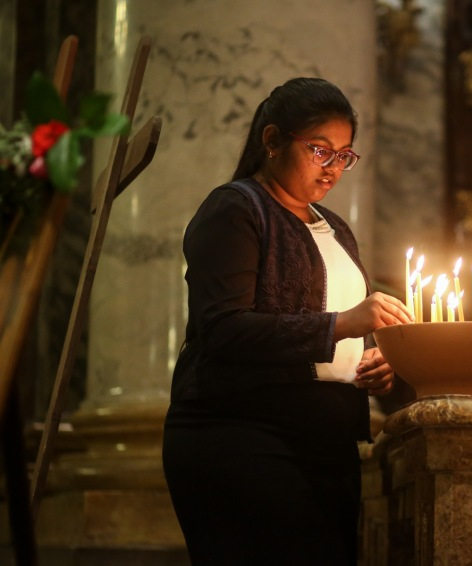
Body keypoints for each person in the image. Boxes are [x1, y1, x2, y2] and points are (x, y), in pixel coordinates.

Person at [162, 77, 413, 565]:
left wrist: (373, 360)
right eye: (320, 150)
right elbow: (224, 329)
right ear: (273, 140)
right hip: (244, 436)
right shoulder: (236, 209)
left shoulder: (335, 227)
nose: (333, 167)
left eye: (344, 155)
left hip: (326, 444)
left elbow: (336, 322)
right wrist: (342, 325)